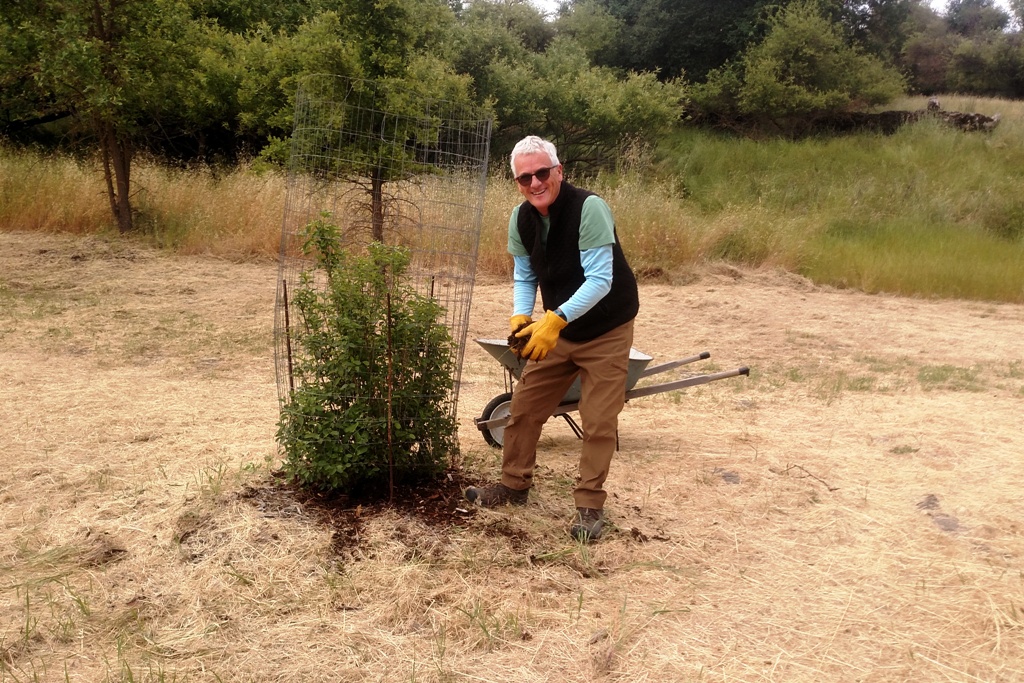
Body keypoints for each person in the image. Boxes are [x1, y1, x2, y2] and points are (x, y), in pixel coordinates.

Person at [465, 135, 640, 543]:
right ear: (517, 182)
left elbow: (600, 280)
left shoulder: (589, 209)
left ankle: (590, 506)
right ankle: (513, 486)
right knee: (524, 407)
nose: (535, 183)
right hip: (558, 328)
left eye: (542, 172)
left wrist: (553, 320)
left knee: (598, 420)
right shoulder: (521, 218)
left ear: (559, 171)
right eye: (525, 178)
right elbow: (525, 275)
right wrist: (522, 315)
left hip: (606, 330)